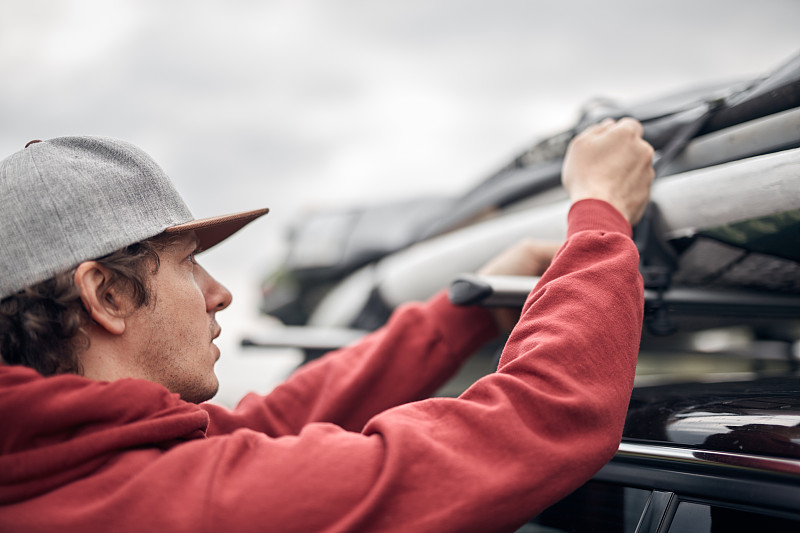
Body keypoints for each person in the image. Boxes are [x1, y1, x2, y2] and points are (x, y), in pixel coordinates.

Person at [0, 118, 654, 532]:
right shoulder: (193, 506)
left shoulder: (52, 461)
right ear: (106, 293)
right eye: (190, 265)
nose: (219, 293)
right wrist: (599, 213)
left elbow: (276, 420)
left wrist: (466, 311)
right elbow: (538, 421)